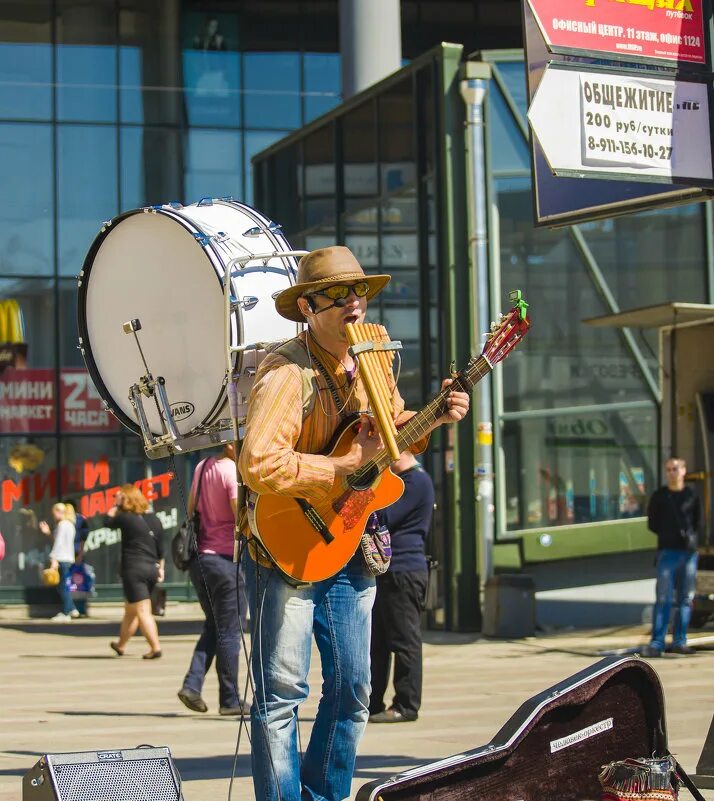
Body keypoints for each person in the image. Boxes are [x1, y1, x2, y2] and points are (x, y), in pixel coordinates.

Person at [238, 245, 470, 801]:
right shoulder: (287, 373)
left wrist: (436, 415)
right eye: (338, 295)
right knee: (283, 694)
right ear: (309, 308)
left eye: (359, 292)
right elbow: (257, 464)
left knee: (354, 687)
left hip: (353, 536)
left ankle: (325, 795)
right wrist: (338, 466)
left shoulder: (375, 356)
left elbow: (392, 437)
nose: (354, 304)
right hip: (289, 544)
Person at [177, 442, 248, 716]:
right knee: (230, 630)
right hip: (225, 560)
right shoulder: (231, 471)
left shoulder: (202, 466)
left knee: (214, 626)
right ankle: (230, 699)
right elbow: (238, 514)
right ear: (231, 445)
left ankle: (192, 685)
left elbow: (192, 508)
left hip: (201, 560)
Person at [368, 451, 434, 723]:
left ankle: (406, 705)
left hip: (404, 570)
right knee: (378, 643)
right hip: (388, 570)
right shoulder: (400, 480)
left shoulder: (415, 482)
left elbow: (384, 515)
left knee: (404, 641)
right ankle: (372, 704)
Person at [641, 457, 700, 658]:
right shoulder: (660, 496)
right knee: (664, 598)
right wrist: (668, 535)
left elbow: (697, 520)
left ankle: (680, 642)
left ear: (683, 471)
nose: (671, 473)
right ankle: (657, 643)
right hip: (667, 552)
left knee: (685, 598)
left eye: (675, 469)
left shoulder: (691, 495)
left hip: (689, 552)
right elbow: (652, 523)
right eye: (668, 469)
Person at [106, 484, 165, 659]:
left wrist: (116, 506)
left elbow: (107, 522)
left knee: (142, 610)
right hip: (151, 569)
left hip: (134, 569)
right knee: (130, 610)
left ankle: (155, 648)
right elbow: (161, 548)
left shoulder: (125, 517)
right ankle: (121, 645)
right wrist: (161, 568)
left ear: (126, 500)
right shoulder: (154, 519)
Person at [39, 502, 78, 622]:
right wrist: (49, 533)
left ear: (59, 512)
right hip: (68, 558)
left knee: (63, 587)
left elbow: (58, 544)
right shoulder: (70, 525)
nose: (54, 515)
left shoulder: (62, 524)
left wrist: (53, 559)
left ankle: (66, 613)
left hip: (62, 558)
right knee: (64, 585)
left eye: (54, 512)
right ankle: (71, 608)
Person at [64, 498, 91, 617]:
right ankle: (72, 607)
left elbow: (83, 538)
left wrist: (80, 554)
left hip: (75, 552)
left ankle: (80, 608)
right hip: (67, 553)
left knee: (79, 582)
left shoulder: (80, 520)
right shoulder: (64, 521)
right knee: (68, 582)